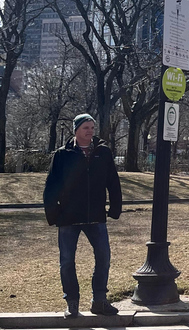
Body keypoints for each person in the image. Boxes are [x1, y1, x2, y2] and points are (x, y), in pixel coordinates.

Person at [43, 113, 122, 318]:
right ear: (76, 130)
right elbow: (51, 185)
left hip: (96, 216)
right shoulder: (62, 154)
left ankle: (99, 301)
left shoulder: (103, 153)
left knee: (103, 257)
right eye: (86, 127)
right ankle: (72, 303)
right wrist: (53, 214)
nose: (90, 131)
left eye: (92, 128)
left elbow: (113, 182)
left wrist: (115, 208)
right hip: (68, 217)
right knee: (67, 261)